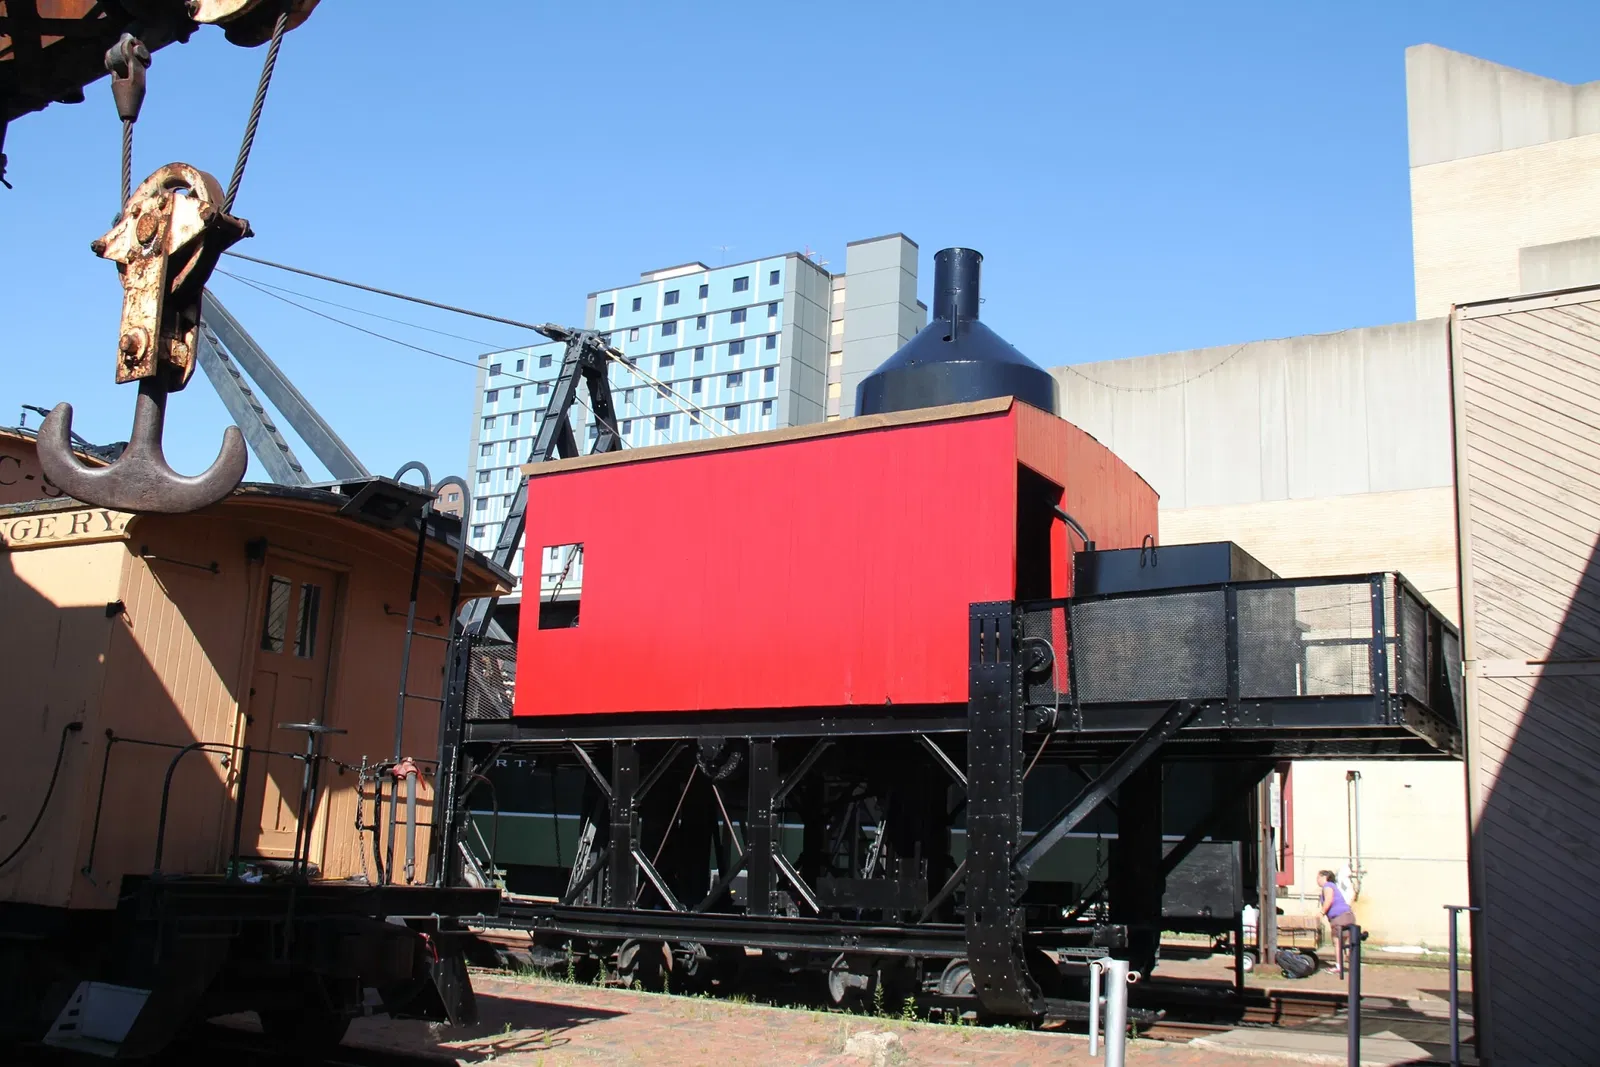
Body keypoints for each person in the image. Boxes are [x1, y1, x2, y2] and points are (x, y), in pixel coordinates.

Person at [1318, 869, 1355, 977]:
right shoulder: (1333, 886)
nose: (1317, 880)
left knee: (1337, 942)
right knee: (1346, 942)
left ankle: (1339, 966)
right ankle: (1352, 965)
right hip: (1348, 915)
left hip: (1339, 917)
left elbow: (1328, 900)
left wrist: (1321, 913)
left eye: (1318, 877)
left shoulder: (1327, 886)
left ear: (1324, 877)